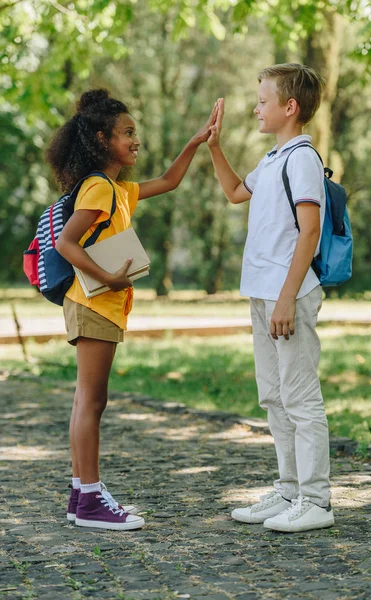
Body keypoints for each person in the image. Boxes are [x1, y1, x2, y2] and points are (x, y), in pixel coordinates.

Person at [46, 88, 217, 531]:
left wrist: (195, 142)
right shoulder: (99, 188)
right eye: (127, 133)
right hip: (94, 302)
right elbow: (66, 242)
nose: (135, 139)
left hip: (99, 304)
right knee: (92, 400)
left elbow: (169, 181)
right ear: (102, 140)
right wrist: (109, 278)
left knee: (88, 399)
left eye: (135, 132)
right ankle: (90, 499)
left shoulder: (118, 190)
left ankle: (80, 493)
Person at [207, 64, 334, 533]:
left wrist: (285, 300)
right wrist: (215, 148)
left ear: (290, 107)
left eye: (263, 100)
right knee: (274, 398)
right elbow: (235, 192)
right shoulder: (274, 157)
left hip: (288, 295)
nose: (256, 107)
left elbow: (310, 231)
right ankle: (289, 490)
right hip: (261, 293)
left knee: (300, 397)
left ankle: (317, 500)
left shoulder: (301, 157)